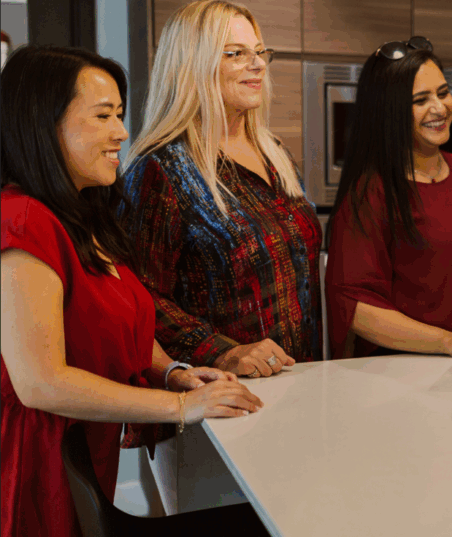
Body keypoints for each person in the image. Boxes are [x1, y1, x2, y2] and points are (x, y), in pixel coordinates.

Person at [0, 45, 263, 537]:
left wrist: (174, 373)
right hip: (30, 468)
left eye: (120, 115)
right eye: (103, 116)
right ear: (42, 125)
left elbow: (126, 322)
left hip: (76, 456)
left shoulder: (82, 215)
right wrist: (181, 409)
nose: (121, 132)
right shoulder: (23, 220)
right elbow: (40, 382)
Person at [120, 0, 323, 379]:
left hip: (298, 384)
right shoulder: (161, 168)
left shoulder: (273, 151)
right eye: (236, 54)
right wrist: (222, 353)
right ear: (191, 65)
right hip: (215, 398)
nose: (258, 64)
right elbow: (136, 296)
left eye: (260, 53)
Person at [325, 37, 452, 359]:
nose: (440, 108)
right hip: (406, 373)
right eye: (420, 100)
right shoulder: (371, 191)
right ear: (389, 111)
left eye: (443, 92)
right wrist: (451, 342)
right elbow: (352, 304)